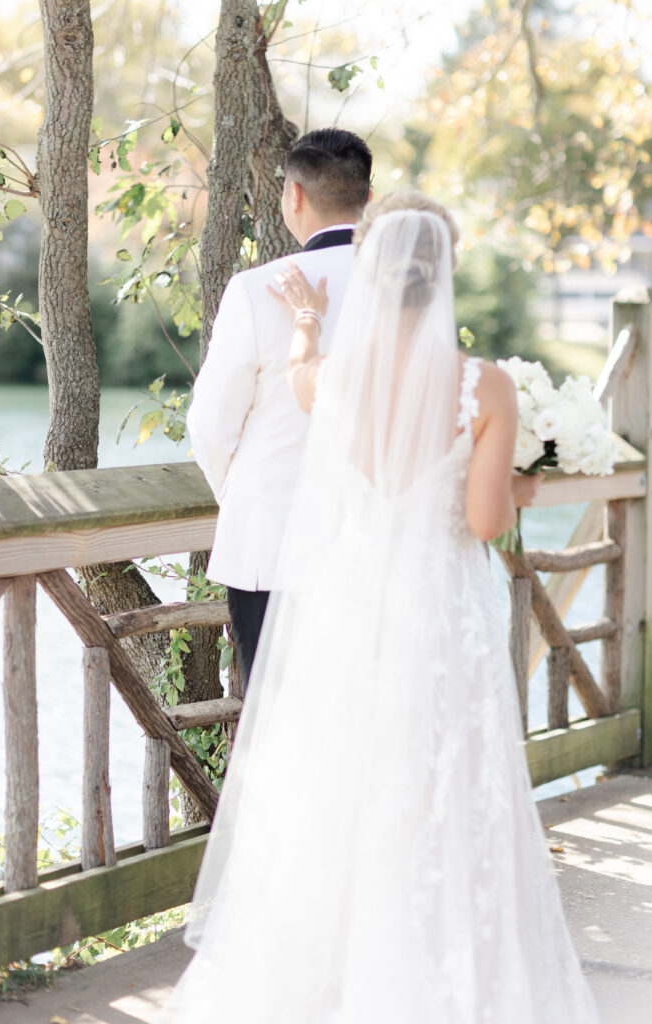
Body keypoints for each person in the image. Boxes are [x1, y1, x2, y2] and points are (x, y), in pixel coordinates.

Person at [164, 193, 599, 1022]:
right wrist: (519, 487)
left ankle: (328, 969)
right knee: (444, 776)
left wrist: (303, 323)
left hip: (350, 596)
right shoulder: (484, 386)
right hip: (441, 604)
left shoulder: (335, 376)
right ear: (448, 272)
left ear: (369, 270)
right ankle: (431, 961)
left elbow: (300, 382)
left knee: (341, 777)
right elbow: (481, 523)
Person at [186, 127, 373, 686]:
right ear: (367, 196)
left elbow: (212, 425)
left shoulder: (255, 289)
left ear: (293, 195)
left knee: (275, 726)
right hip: (375, 546)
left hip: (274, 544)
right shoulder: (408, 287)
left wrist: (244, 496)